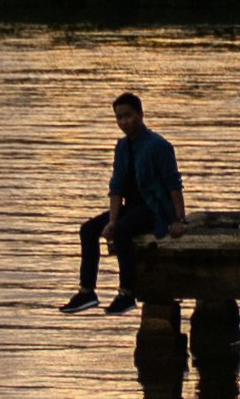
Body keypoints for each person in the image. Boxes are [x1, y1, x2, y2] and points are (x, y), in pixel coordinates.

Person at [64, 87, 186, 311]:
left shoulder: (159, 146)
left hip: (154, 210)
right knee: (88, 230)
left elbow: (173, 184)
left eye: (128, 116)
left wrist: (179, 219)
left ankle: (127, 293)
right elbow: (116, 186)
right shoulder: (122, 147)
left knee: (121, 231)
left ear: (140, 115)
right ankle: (86, 292)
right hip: (130, 208)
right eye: (119, 117)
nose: (123, 122)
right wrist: (111, 219)